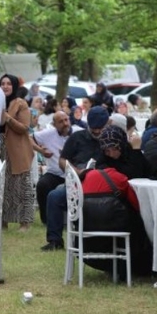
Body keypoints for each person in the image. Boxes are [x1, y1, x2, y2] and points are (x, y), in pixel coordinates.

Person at [80, 125, 152, 276]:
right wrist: (137, 151)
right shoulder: (103, 161)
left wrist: (136, 151)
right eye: (107, 150)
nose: (111, 154)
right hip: (113, 210)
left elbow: (146, 172)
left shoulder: (130, 154)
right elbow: (131, 176)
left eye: (114, 148)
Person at [41, 106, 109, 251]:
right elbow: (62, 160)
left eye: (100, 128)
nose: (97, 132)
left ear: (107, 124)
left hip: (104, 185)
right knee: (54, 196)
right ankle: (55, 240)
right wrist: (75, 171)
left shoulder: (112, 138)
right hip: (79, 183)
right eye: (93, 128)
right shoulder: (77, 137)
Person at [0, 74, 34, 231]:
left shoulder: (20, 103)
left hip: (17, 148)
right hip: (0, 147)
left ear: (14, 86)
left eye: (8, 84)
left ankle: (24, 222)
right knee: (3, 185)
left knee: (20, 185)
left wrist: (8, 118)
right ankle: (3, 221)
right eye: (2, 83)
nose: (5, 86)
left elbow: (25, 127)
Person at [32, 111, 73, 224]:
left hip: (74, 174)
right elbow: (29, 138)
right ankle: (46, 220)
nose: (65, 123)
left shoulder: (77, 133)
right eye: (60, 122)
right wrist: (41, 150)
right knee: (42, 185)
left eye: (66, 120)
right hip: (55, 173)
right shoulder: (48, 134)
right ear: (54, 125)